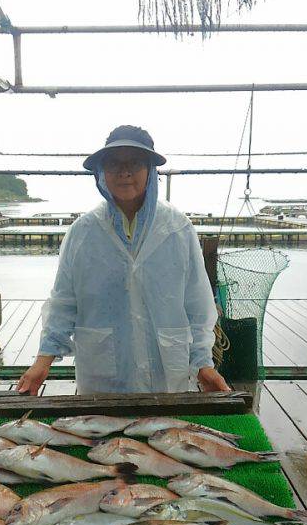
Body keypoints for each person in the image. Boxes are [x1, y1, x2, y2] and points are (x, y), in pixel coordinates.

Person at [17, 125, 229, 395]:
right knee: (100, 437)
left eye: (136, 163)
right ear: (101, 171)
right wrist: (42, 362)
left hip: (166, 376)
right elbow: (63, 302)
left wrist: (203, 364)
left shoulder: (177, 228)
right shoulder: (83, 232)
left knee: (165, 434)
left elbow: (198, 305)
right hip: (102, 380)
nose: (124, 171)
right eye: (114, 163)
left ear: (151, 170)